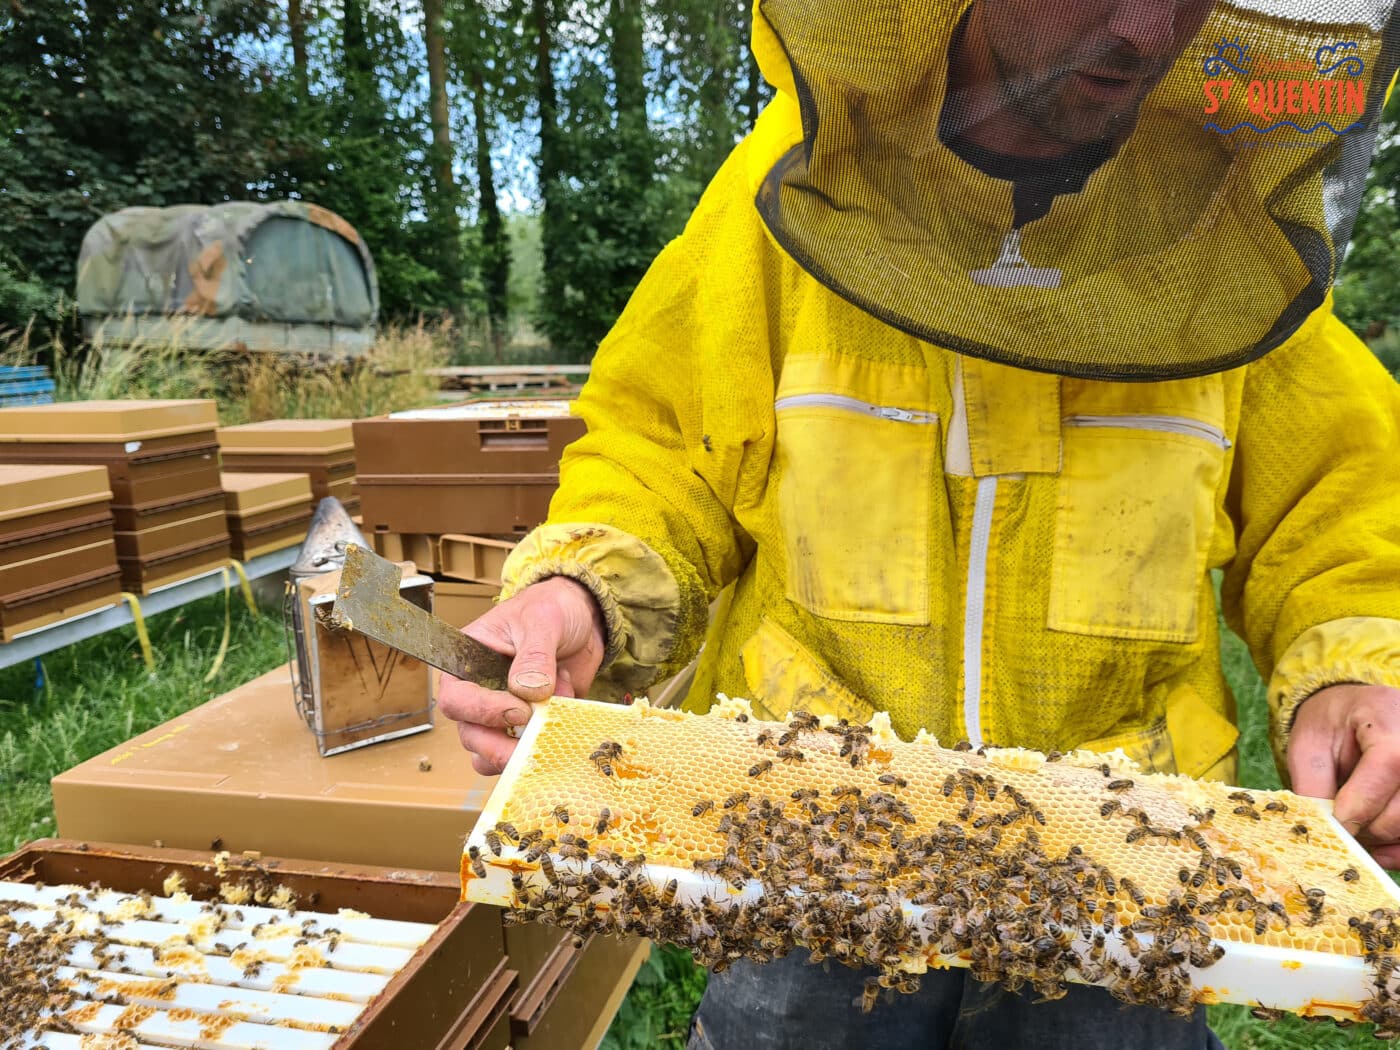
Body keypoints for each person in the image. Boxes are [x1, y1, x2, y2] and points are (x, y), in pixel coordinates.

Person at [441, 0, 1400, 1045]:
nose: (1144, 31)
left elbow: (1340, 503)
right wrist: (581, 587)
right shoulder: (790, 186)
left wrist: (1354, 669)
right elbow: (663, 448)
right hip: (805, 847)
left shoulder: (1222, 229)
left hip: (1121, 869)